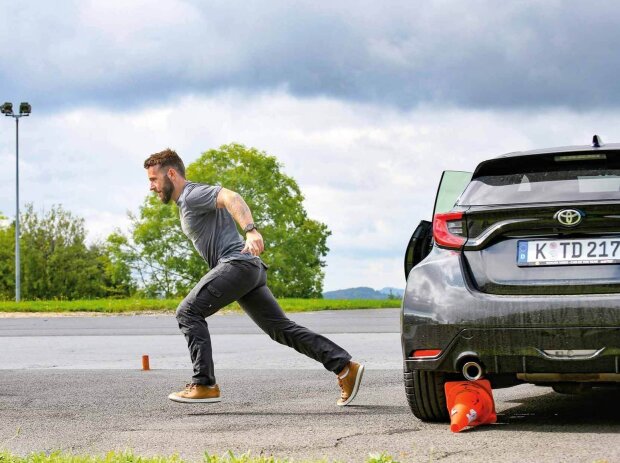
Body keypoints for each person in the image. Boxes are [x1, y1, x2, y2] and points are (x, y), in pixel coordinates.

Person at [144, 149, 364, 406]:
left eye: (153, 179)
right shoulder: (186, 203)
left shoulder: (192, 194)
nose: (151, 187)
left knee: (187, 313)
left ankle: (204, 384)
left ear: (171, 173)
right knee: (280, 329)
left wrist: (251, 230)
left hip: (238, 264)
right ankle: (345, 367)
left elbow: (230, 196)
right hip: (247, 269)